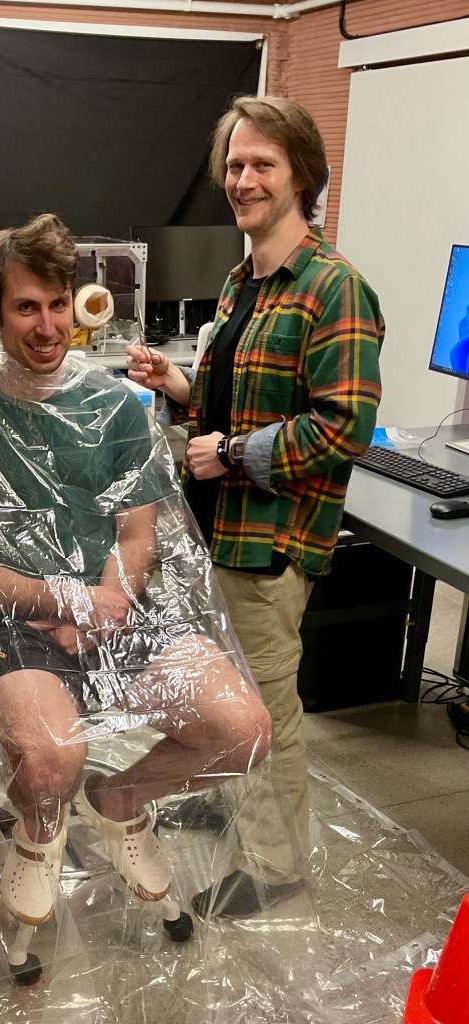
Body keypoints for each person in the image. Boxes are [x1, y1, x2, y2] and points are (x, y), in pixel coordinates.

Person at [0, 213, 274, 928]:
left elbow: (139, 533)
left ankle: (121, 800)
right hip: (6, 613)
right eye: (26, 307)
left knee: (245, 729)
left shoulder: (112, 407)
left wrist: (109, 598)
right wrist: (67, 600)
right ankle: (38, 831)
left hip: (114, 601)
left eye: (58, 304)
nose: (46, 326)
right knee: (48, 758)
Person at [127, 95, 385, 918]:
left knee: (269, 708)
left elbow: (343, 427)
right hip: (220, 533)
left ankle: (277, 868)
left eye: (261, 164)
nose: (242, 180)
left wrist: (233, 452)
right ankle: (230, 795)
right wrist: (178, 387)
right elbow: (240, 396)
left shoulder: (335, 289)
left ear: (301, 174)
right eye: (234, 165)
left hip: (272, 545)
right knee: (228, 692)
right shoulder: (244, 280)